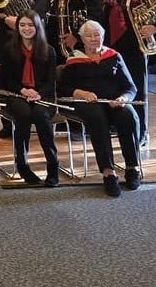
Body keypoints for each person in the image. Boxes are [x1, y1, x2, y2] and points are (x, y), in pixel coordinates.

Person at [58, 20, 141, 197]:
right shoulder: (74, 59)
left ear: (103, 36)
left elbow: (131, 87)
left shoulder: (114, 56)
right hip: (86, 104)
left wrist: (123, 99)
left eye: (97, 35)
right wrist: (81, 93)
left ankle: (132, 167)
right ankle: (108, 172)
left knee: (128, 115)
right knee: (97, 117)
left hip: (113, 102)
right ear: (82, 38)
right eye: (89, 35)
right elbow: (63, 88)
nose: (94, 39)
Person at [0, 10, 59, 187]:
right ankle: (23, 165)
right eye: (22, 25)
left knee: (41, 116)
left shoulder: (49, 51)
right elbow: (6, 80)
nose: (26, 28)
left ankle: (52, 165)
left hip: (43, 95)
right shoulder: (9, 49)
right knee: (23, 114)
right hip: (17, 94)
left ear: (37, 27)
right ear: (18, 28)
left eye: (30, 25)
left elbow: (51, 81)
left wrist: (38, 93)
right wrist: (24, 90)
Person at [101, 0, 152, 145]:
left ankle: (141, 133)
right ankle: (122, 127)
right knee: (118, 88)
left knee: (138, 90)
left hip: (136, 46)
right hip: (114, 46)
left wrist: (154, 27)